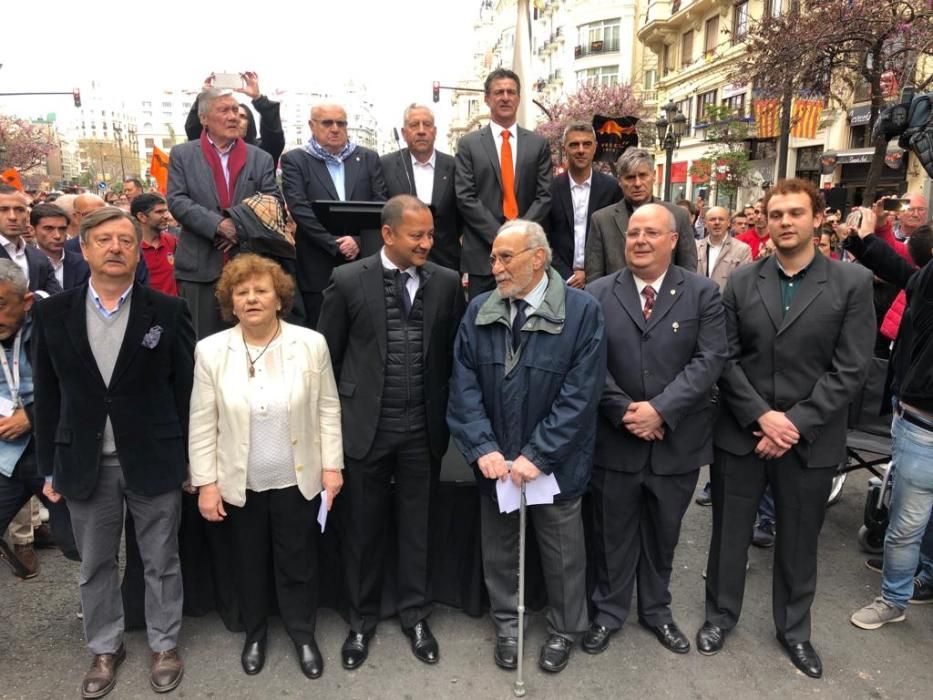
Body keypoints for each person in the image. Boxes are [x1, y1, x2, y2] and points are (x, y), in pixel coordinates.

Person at [697, 179, 874, 679]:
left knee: (798, 542)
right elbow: (726, 359)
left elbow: (851, 368)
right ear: (764, 223)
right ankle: (719, 616)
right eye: (776, 215)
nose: (785, 223)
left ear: (818, 218)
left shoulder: (850, 284)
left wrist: (792, 424)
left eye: (796, 213)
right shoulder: (743, 281)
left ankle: (794, 631)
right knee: (730, 534)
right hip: (742, 432)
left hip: (809, 439)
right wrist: (762, 417)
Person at [32, 206, 194, 698]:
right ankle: (106, 646)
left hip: (153, 455)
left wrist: (190, 460)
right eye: (103, 240)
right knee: (96, 562)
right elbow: (47, 394)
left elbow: (184, 391)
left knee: (160, 558)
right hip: (84, 459)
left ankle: (165, 642)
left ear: (136, 246)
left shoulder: (166, 311)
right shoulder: (53, 313)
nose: (116, 247)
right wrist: (47, 467)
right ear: (85, 249)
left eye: (125, 239)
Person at [447, 219, 607, 674]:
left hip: (554, 465)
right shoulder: (480, 309)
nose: (493, 266)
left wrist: (538, 455)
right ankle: (507, 624)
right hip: (497, 461)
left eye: (504, 257)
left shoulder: (581, 311)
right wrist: (483, 449)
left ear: (538, 257)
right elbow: (463, 386)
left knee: (562, 553)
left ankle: (563, 629)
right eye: (493, 257)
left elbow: (581, 395)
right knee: (499, 549)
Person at [317, 195, 463, 670]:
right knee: (363, 527)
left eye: (430, 234)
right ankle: (361, 620)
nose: (427, 242)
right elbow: (327, 360)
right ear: (387, 235)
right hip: (366, 428)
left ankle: (415, 615)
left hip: (423, 428)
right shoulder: (347, 280)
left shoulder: (444, 282)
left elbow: (452, 356)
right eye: (417, 235)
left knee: (418, 527)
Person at [188, 253, 342, 679]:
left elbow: (328, 408)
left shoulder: (311, 344)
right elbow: (203, 421)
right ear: (230, 302)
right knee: (248, 562)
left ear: (279, 298)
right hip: (241, 481)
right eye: (241, 292)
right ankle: (255, 633)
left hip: (297, 476)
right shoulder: (211, 351)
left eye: (261, 291)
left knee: (298, 561)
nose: (251, 299)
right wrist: (206, 483)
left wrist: (332, 466)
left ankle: (302, 633)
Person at [584, 204, 727, 656]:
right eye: (632, 233)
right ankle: (608, 612)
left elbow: (710, 361)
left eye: (651, 233)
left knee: (664, 534)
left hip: (676, 442)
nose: (640, 241)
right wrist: (626, 411)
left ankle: (656, 610)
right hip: (616, 438)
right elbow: (588, 362)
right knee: (612, 533)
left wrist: (661, 410)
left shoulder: (703, 293)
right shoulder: (598, 293)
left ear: (672, 240)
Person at [841, 213, 933, 627]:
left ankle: (924, 579)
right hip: (923, 429)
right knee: (907, 525)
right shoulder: (927, 286)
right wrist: (864, 243)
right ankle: (894, 598)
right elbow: (902, 270)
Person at [167, 87, 278, 339]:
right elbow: (177, 200)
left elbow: (271, 201)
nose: (233, 117)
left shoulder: (259, 158)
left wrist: (237, 226)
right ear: (204, 118)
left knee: (251, 340)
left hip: (249, 263)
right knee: (201, 344)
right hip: (199, 268)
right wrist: (217, 225)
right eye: (224, 110)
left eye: (236, 111)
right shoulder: (183, 154)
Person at [0, 261, 77, 580]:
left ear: (27, 301)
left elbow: (79, 386)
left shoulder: (55, 326)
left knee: (79, 541)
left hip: (54, 452)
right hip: (6, 456)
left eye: (2, 305)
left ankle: (99, 600)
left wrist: (31, 415)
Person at [281, 103, 387, 328]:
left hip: (363, 260)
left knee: (363, 330)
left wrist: (358, 241)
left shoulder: (368, 158)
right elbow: (300, 209)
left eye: (341, 123)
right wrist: (334, 243)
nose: (335, 129)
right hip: (317, 264)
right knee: (320, 332)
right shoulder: (295, 160)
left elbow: (380, 205)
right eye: (327, 123)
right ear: (312, 125)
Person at [454, 68, 552, 298]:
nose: (505, 97)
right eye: (499, 92)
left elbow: (544, 195)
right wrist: (501, 237)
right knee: (484, 323)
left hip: (527, 255)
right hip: (483, 256)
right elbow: (466, 197)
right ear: (487, 98)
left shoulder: (538, 144)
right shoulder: (469, 145)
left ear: (518, 98)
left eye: (511, 92)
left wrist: (521, 236)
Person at [585, 149, 698, 282]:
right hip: (615, 301)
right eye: (630, 177)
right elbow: (594, 277)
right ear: (620, 181)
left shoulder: (678, 216)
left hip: (667, 300)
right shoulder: (601, 220)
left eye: (643, 175)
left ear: (654, 176)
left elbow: (688, 271)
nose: (637, 184)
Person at [381, 104, 460, 271]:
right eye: (414, 125)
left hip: (444, 262)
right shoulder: (385, 165)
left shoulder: (454, 166)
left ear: (435, 131)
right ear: (403, 133)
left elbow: (460, 214)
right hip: (399, 263)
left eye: (427, 124)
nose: (421, 130)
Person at [545, 121, 622, 287]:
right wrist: (567, 276)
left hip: (601, 281)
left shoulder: (612, 188)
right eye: (574, 145)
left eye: (586, 144)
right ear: (565, 149)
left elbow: (615, 238)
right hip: (558, 281)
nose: (581, 150)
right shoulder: (550, 189)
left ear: (595, 148)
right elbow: (544, 238)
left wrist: (590, 272)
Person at [185, 72, 286, 165]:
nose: (233, 118)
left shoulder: (261, 153)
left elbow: (274, 137)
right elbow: (193, 129)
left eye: (242, 116)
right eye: (224, 111)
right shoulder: (202, 151)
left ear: (250, 122)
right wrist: (203, 97)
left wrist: (258, 98)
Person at [0, 184, 61, 296]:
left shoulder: (39, 257)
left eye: (19, 210)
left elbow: (56, 299)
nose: (12, 216)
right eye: (3, 209)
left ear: (27, 214)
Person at [696, 206, 753, 293]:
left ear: (728, 223)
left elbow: (744, 283)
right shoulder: (696, 248)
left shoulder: (742, 250)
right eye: (712, 219)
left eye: (721, 219)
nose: (717, 222)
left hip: (726, 303)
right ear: (705, 223)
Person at [131, 193, 177, 296]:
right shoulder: (131, 247)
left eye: (166, 211)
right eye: (159, 212)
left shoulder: (171, 240)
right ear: (142, 217)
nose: (166, 216)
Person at [30, 203, 73, 291]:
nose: (57, 236)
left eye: (62, 229)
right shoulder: (25, 262)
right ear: (33, 230)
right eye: (48, 229)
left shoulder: (83, 264)